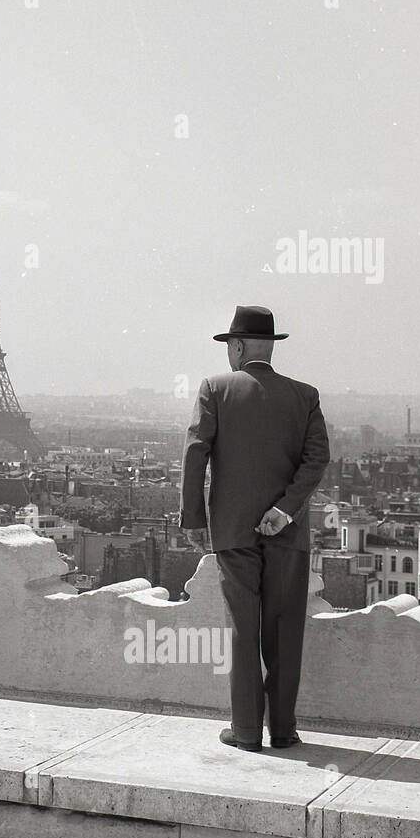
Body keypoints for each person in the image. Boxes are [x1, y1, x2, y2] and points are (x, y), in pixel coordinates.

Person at [179, 305, 330, 751]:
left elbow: (195, 453)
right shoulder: (305, 395)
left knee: (242, 629)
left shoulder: (215, 388)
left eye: (229, 346)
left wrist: (193, 519)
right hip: (287, 531)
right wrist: (284, 510)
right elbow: (316, 459)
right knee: (284, 630)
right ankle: (283, 731)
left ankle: (246, 732)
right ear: (271, 345)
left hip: (233, 529)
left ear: (238, 346)